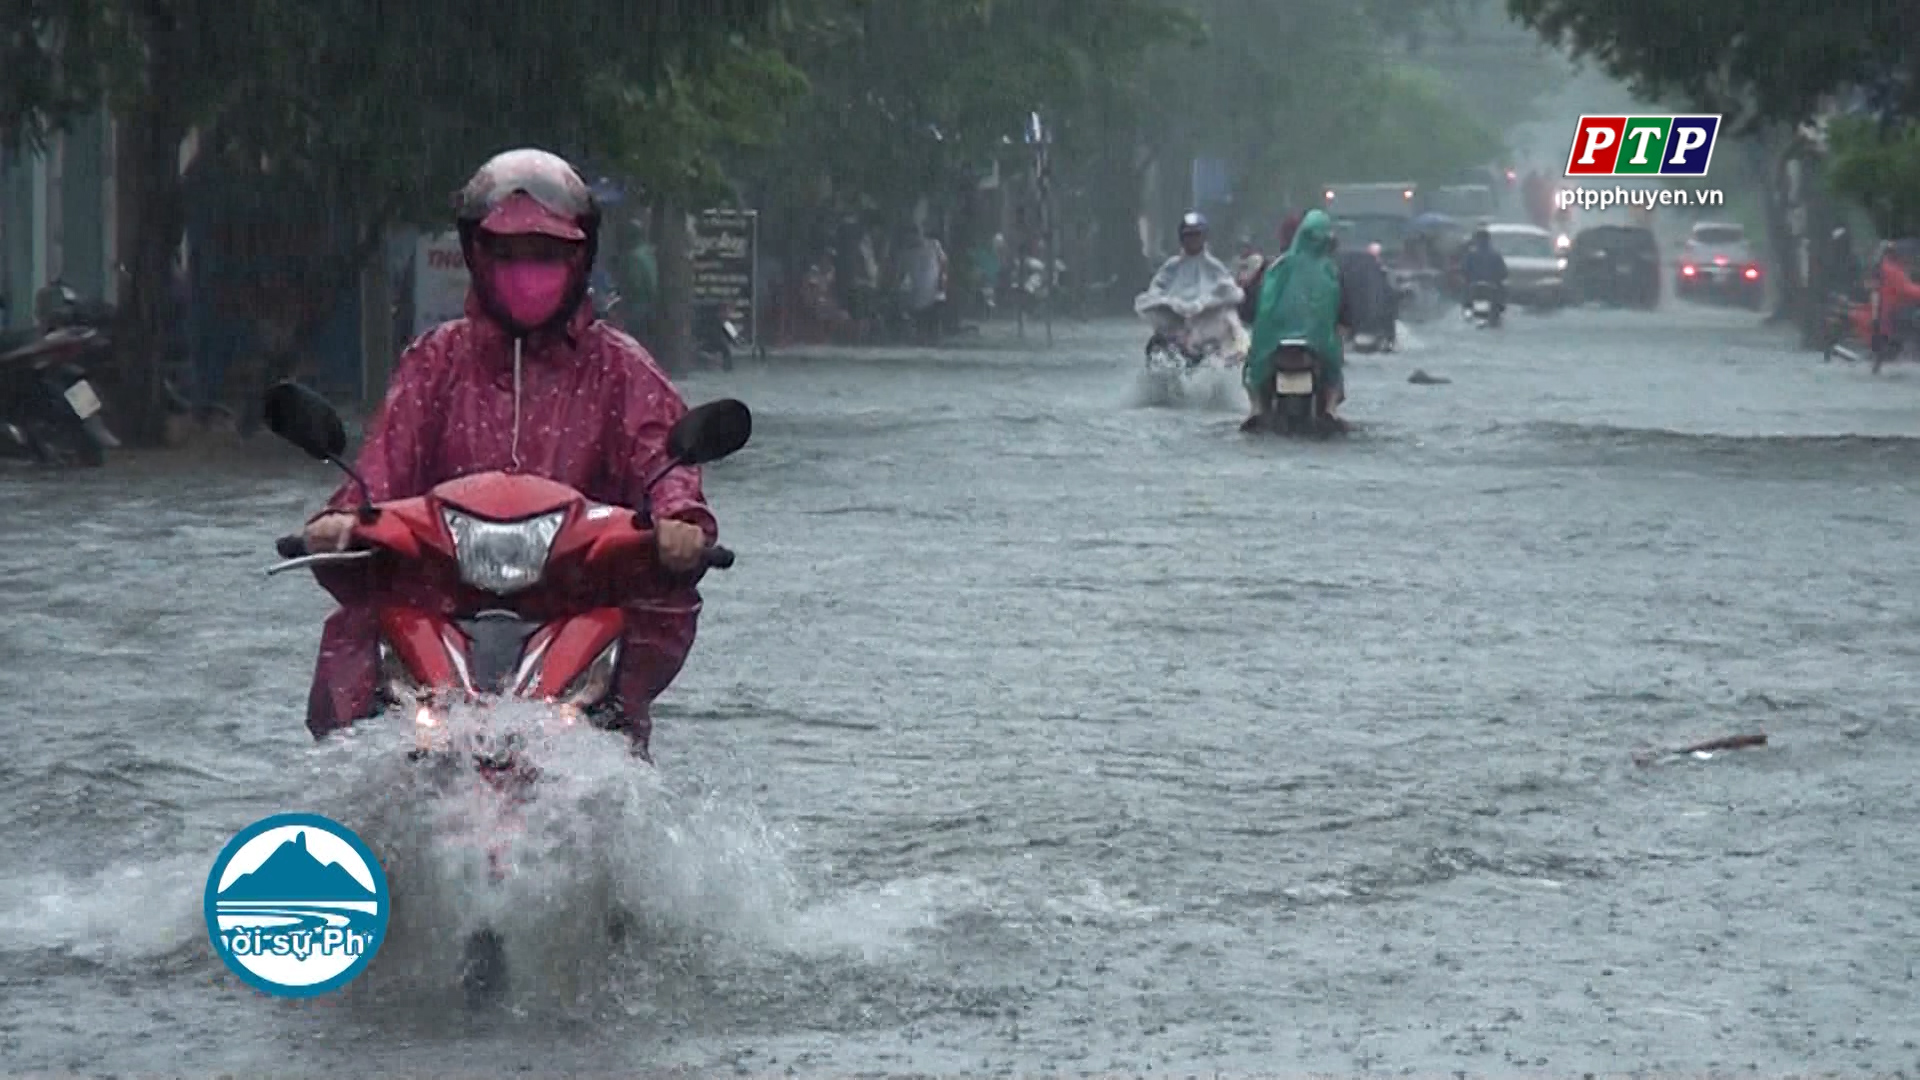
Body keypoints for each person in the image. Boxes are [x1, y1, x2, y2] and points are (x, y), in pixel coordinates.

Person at [296, 148, 717, 757]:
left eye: (547, 255)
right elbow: (380, 468)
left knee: (615, 722)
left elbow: (664, 463)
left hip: (575, 605)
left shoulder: (621, 371)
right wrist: (340, 519)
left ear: (581, 259)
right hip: (441, 603)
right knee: (358, 710)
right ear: (476, 255)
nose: (527, 271)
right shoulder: (435, 363)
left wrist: (680, 524)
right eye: (509, 254)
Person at [1244, 209, 1347, 423]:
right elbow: (1343, 309)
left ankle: (1256, 408)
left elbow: (1254, 303)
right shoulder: (1330, 271)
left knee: (1253, 368)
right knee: (1334, 369)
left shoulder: (1274, 268)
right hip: (1316, 341)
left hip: (1274, 341)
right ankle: (1330, 409)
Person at [1137, 212, 1244, 354]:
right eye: (1188, 235)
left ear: (1204, 237)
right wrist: (1168, 303)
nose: (1192, 239)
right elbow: (1156, 289)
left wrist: (1206, 303)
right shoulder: (1171, 266)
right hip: (1176, 322)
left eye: (1196, 235)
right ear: (1181, 238)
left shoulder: (1214, 266)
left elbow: (1230, 291)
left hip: (1206, 323)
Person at [1460, 227, 1508, 313]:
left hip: (1474, 286)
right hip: (1491, 286)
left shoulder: (1471, 254)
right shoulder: (1495, 254)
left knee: (1466, 300)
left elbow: (1464, 270)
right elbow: (1503, 272)